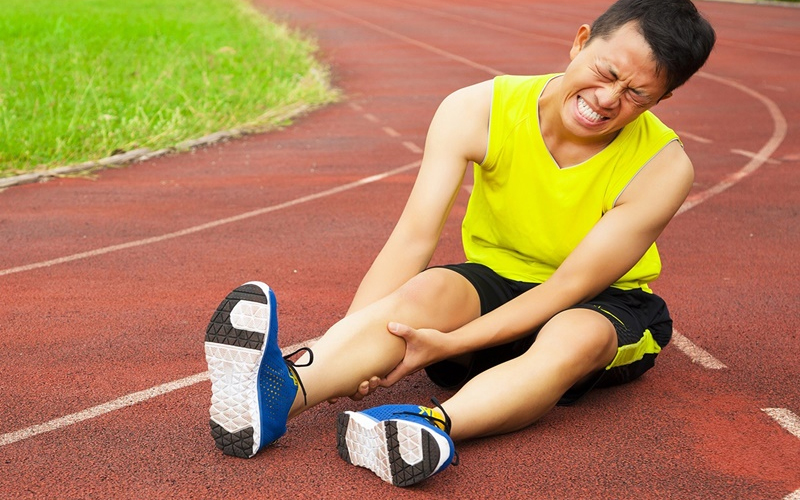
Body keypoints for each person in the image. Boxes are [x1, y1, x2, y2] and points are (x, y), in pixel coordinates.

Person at [203, 0, 716, 487]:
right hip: (497, 278)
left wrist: (453, 343)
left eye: (636, 94)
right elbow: (413, 239)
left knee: (574, 337)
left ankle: (426, 426)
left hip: (600, 301)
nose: (607, 99)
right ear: (581, 41)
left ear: (661, 99)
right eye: (606, 72)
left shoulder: (663, 168)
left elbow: (566, 288)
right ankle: (277, 394)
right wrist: (349, 347)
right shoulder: (479, 108)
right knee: (425, 292)